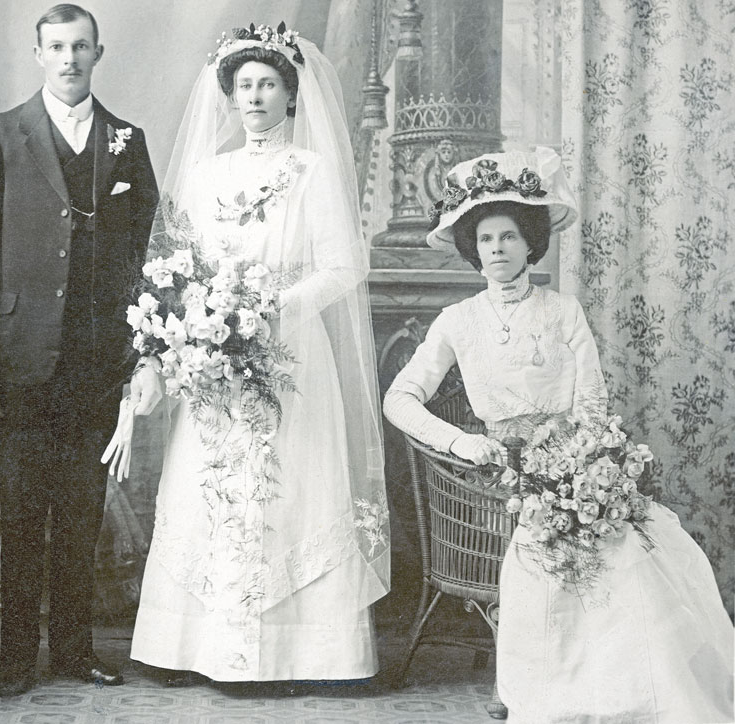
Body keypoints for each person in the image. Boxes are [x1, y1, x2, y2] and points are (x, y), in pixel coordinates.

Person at [383, 147, 734, 723]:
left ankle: (633, 690)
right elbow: (399, 398)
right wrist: (466, 444)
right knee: (557, 542)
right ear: (473, 247)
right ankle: (560, 689)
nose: (498, 249)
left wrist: (586, 462)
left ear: (530, 243)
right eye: (488, 239)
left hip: (576, 461)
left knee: (636, 546)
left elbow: (591, 399)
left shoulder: (563, 309)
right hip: (499, 476)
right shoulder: (457, 321)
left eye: (510, 238)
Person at [124, 24, 389, 682]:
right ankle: (193, 652)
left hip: (291, 357)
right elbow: (178, 268)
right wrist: (200, 322)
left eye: (269, 84)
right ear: (229, 96)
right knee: (212, 485)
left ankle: (310, 655)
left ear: (291, 94)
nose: (256, 96)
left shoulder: (312, 171)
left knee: (294, 490)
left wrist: (272, 310)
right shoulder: (206, 174)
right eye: (244, 85)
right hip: (215, 359)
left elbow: (344, 265)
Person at [0, 3, 158, 696]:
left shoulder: (129, 140)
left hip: (97, 363)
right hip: (18, 360)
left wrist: (142, 353)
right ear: (39, 54)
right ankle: (15, 656)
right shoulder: (0, 136)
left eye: (81, 47)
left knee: (80, 513)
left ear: (100, 53)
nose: (69, 59)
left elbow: (146, 256)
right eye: (57, 47)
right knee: (22, 513)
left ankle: (72, 650)